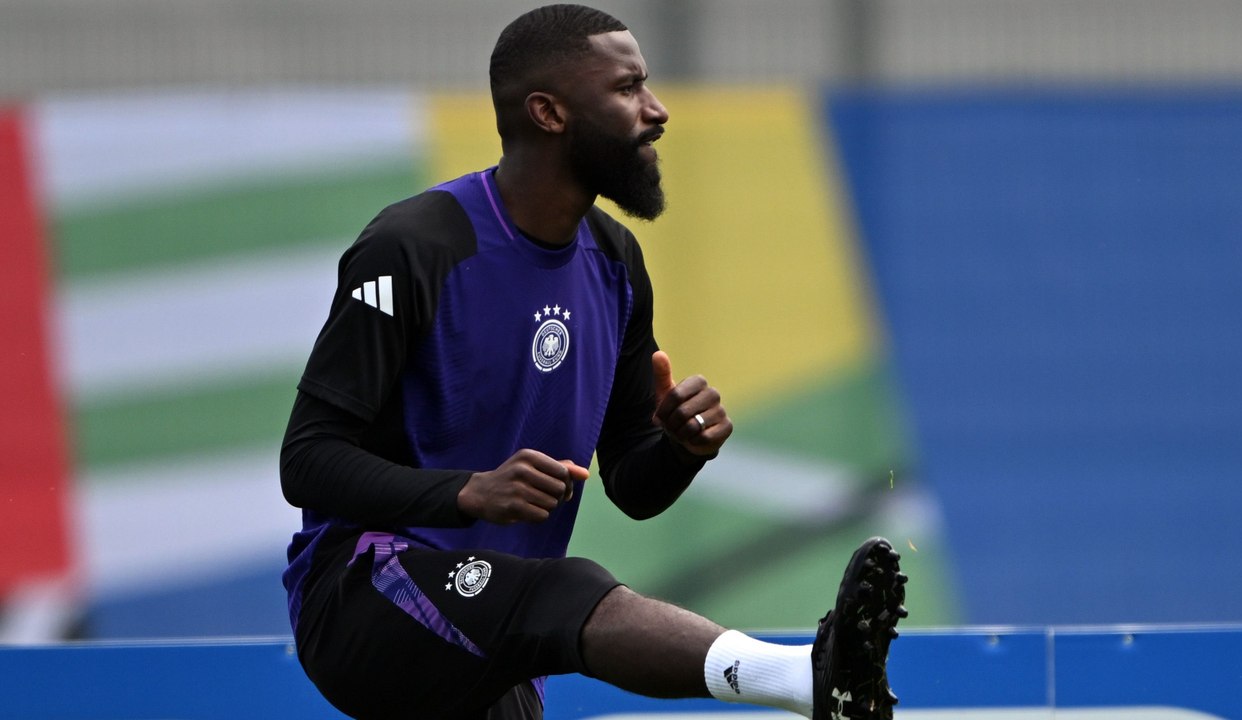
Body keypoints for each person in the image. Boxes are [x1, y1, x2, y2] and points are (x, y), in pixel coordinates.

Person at [280, 4, 907, 719]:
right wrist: (468, 492)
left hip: (497, 634)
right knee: (564, 589)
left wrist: (678, 449)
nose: (657, 110)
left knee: (547, 605)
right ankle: (803, 679)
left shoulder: (615, 261)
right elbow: (306, 460)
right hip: (361, 594)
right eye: (628, 88)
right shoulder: (413, 246)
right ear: (549, 112)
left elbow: (634, 485)